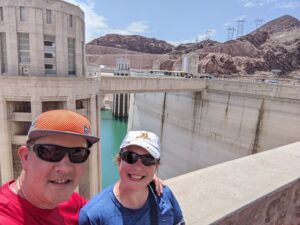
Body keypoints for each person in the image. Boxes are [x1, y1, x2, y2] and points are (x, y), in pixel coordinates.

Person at [0, 110, 164, 225]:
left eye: (77, 153)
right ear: (26, 157)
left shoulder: (72, 202)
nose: (64, 167)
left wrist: (144, 176)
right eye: (50, 152)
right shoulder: (6, 217)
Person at [79, 130, 185, 225]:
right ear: (119, 160)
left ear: (156, 166)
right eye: (130, 157)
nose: (138, 167)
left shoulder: (165, 195)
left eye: (147, 159)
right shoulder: (93, 215)